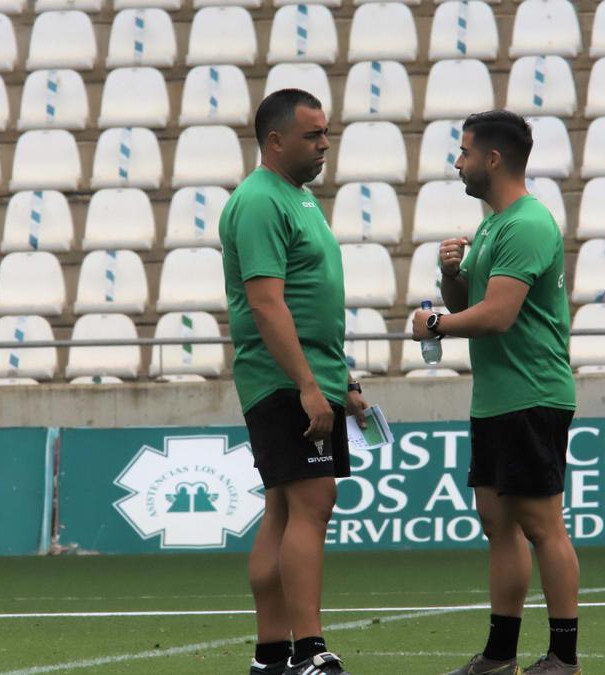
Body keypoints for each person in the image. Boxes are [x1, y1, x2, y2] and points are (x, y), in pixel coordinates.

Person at [409, 111, 581, 675]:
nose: (456, 162)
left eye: (462, 151)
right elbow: (471, 306)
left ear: (493, 158)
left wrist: (432, 324)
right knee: (498, 524)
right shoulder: (490, 227)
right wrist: (452, 277)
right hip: (497, 398)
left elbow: (499, 316)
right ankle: (500, 655)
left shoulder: (527, 223)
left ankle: (563, 656)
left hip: (532, 394)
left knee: (541, 524)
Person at [219, 88, 369, 675]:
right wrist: (308, 386)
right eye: (313, 135)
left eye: (326, 132)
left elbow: (311, 303)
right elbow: (266, 304)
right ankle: (308, 650)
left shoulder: (297, 198)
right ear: (275, 140)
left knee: (283, 508)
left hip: (308, 375)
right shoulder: (259, 202)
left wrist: (343, 381)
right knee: (313, 498)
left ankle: (271, 655)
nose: (325, 143)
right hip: (282, 379)